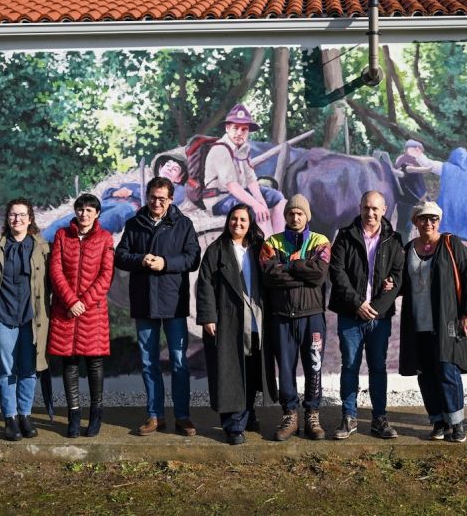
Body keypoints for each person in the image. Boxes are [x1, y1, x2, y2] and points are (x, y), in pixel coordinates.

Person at [115, 176, 201, 437]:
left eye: (162, 199)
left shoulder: (183, 224)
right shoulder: (135, 223)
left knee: (179, 361)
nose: (156, 202)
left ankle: (183, 416)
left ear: (171, 199)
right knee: (148, 361)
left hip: (173, 301)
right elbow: (120, 256)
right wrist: (141, 260)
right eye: (153, 197)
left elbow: (193, 258)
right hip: (144, 301)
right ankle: (155, 415)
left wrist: (165, 263)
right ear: (147, 197)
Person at [398, 201, 467, 443]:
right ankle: (437, 421)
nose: (428, 223)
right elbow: (402, 282)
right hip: (417, 323)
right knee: (425, 373)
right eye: (423, 218)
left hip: (446, 321)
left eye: (433, 218)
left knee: (447, 371)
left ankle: (456, 423)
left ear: (439, 221)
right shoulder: (408, 249)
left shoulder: (451, 245)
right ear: (415, 222)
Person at [196, 204, 278, 445]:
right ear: (228, 221)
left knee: (251, 370)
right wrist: (208, 316)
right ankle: (233, 425)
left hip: (256, 320)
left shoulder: (259, 248)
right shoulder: (216, 250)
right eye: (234, 219)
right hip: (228, 320)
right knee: (231, 372)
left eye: (243, 219)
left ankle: (248, 413)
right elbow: (205, 285)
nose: (238, 223)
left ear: (250, 223)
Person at [329, 190, 405, 440]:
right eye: (366, 208)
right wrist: (358, 304)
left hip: (379, 319)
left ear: (384, 210)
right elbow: (337, 273)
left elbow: (397, 278)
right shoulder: (344, 236)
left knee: (378, 368)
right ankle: (349, 417)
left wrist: (377, 309)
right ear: (360, 208)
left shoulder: (394, 240)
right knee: (350, 366)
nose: (370, 213)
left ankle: (379, 419)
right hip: (350, 315)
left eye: (375, 208)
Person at [0, 198, 51, 441]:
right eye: (12, 215)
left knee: (29, 367)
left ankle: (25, 415)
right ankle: (10, 418)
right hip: (1, 316)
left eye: (22, 215)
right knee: (6, 369)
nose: (17, 219)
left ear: (30, 219)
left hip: (31, 318)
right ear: (7, 219)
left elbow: (48, 281)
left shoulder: (42, 248)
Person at [259, 194, 331, 441]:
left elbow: (318, 275)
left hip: (312, 316)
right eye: (291, 213)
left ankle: (312, 415)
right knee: (285, 369)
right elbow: (270, 276)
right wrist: (302, 269)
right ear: (286, 216)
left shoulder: (320, 241)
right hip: (282, 317)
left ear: (307, 216)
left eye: (300, 213)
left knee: (314, 366)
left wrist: (287, 266)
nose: (295, 217)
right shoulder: (272, 242)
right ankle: (290, 415)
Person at [47, 193, 115, 438]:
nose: (84, 214)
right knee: (70, 363)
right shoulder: (62, 235)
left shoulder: (105, 238)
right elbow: (55, 270)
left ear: (97, 214)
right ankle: (74, 414)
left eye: (89, 210)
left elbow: (106, 275)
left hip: (92, 311)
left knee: (95, 364)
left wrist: (83, 303)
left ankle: (96, 413)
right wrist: (70, 301)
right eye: (80, 209)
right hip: (66, 310)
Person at [41, 153, 188, 242]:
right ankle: (39, 243)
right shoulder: (135, 182)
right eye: (168, 165)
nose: (169, 168)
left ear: (179, 177)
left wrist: (132, 193)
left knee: (114, 214)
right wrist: (114, 192)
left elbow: (164, 200)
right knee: (70, 219)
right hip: (106, 203)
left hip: (129, 208)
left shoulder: (178, 189)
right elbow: (106, 192)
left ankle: (78, 242)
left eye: (175, 169)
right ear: (160, 168)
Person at [203, 103, 286, 237]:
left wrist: (261, 201)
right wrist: (257, 205)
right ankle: (269, 245)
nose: (239, 133)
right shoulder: (220, 149)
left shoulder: (243, 148)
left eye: (244, 129)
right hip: (220, 199)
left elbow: (251, 179)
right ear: (227, 128)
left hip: (238, 193)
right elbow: (232, 186)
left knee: (278, 197)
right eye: (235, 128)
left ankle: (280, 241)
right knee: (256, 210)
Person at [418, 147, 467, 244]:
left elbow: (428, 164)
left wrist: (418, 155)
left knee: (445, 233)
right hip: (466, 207)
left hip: (448, 205)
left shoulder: (445, 167)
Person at [393, 140, 430, 244]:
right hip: (408, 199)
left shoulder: (411, 160)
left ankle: (401, 244)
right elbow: (412, 177)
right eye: (416, 149)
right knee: (404, 226)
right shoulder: (405, 160)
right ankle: (401, 246)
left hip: (409, 199)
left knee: (405, 225)